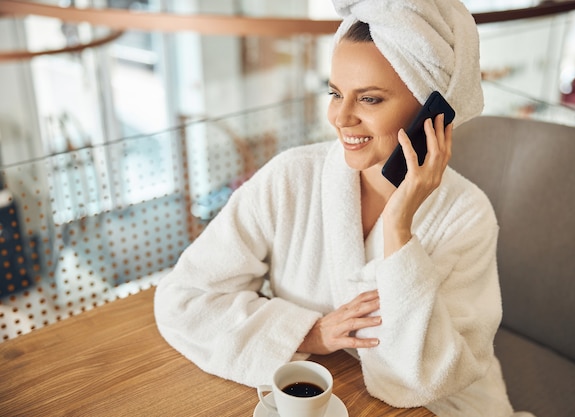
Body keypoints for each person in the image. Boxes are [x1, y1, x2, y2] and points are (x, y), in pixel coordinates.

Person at [155, 1, 532, 416]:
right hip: (328, 393)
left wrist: (399, 228)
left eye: (369, 99)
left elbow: (427, 379)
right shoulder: (291, 179)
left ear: (431, 112)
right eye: (334, 93)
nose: (340, 117)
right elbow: (185, 298)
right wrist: (310, 333)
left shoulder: (466, 214)